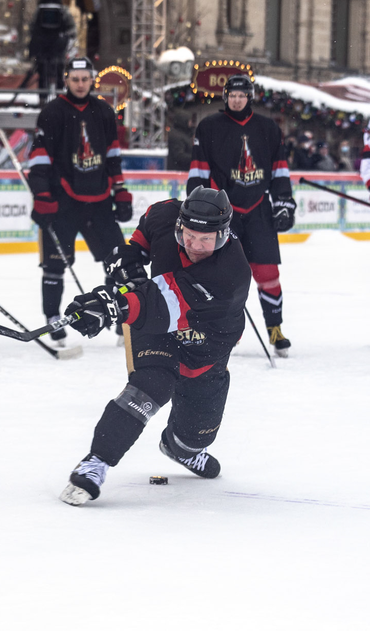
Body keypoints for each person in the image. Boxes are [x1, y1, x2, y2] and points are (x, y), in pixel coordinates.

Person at [58, 187, 251, 506]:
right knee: (149, 387)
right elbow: (145, 231)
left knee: (196, 436)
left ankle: (181, 447)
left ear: (224, 235)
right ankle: (95, 463)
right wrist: (130, 257)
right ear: (179, 225)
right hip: (157, 331)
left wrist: (114, 306)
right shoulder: (164, 215)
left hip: (206, 344)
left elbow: (164, 302)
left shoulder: (230, 274)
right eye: (189, 235)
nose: (196, 246)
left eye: (207, 239)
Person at [187, 73, 295, 357]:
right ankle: (228, 332)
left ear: (250, 97)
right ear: (225, 97)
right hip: (224, 212)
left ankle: (275, 328)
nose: (237, 100)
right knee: (224, 276)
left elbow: (280, 168)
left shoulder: (268, 128)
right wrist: (197, 203)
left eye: (242, 95)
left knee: (267, 273)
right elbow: (198, 169)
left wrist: (284, 201)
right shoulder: (209, 126)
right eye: (232, 95)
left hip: (259, 209)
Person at [27, 56, 131, 347]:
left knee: (118, 262)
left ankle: (122, 319)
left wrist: (120, 191)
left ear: (92, 80)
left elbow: (112, 157)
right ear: (67, 80)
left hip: (99, 201)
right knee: (54, 264)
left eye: (85, 79)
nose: (81, 84)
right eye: (75, 79)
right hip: (63, 202)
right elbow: (39, 159)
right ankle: (52, 318)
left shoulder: (104, 112)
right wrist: (42, 196)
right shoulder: (52, 112)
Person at [28, 0, 76, 92]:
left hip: (42, 48)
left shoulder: (39, 10)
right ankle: (59, 95)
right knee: (59, 73)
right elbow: (72, 30)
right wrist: (64, 37)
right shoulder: (63, 10)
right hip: (58, 48)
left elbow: (32, 27)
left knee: (41, 74)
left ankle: (42, 96)